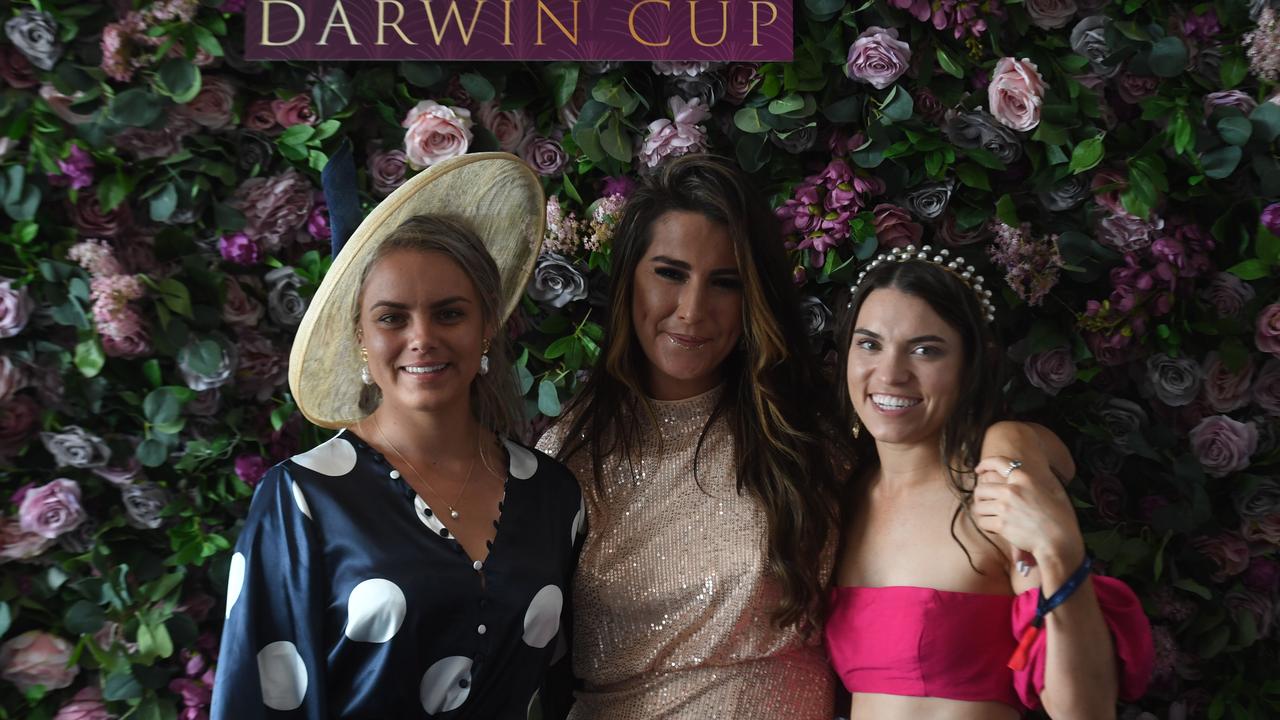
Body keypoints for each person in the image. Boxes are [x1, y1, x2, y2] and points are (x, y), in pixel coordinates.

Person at [536, 155, 1073, 718]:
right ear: (628, 280)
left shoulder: (809, 431)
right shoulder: (566, 455)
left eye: (726, 283)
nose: (692, 310)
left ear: (754, 300)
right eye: (669, 273)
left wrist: (1012, 443)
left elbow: (995, 456)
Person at [211, 153, 582, 719]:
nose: (422, 338)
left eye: (450, 313)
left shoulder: (554, 496)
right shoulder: (303, 500)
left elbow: (562, 691)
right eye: (392, 317)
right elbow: (253, 703)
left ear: (486, 325)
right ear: (361, 335)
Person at [825, 245, 1153, 719]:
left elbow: (1086, 711)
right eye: (870, 343)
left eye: (925, 350)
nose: (891, 373)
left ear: (970, 366)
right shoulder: (844, 497)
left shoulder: (995, 488)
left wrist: (1059, 552)